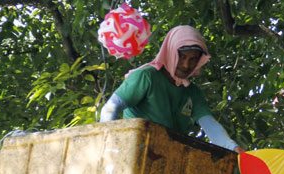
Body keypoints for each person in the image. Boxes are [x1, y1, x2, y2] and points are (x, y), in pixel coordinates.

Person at [100, 25, 244, 153]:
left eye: (193, 59)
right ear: (170, 52)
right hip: (132, 152)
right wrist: (109, 146)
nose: (186, 65)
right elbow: (110, 108)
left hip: (167, 157)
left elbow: (209, 123)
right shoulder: (147, 77)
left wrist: (233, 148)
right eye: (181, 57)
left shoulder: (192, 92)